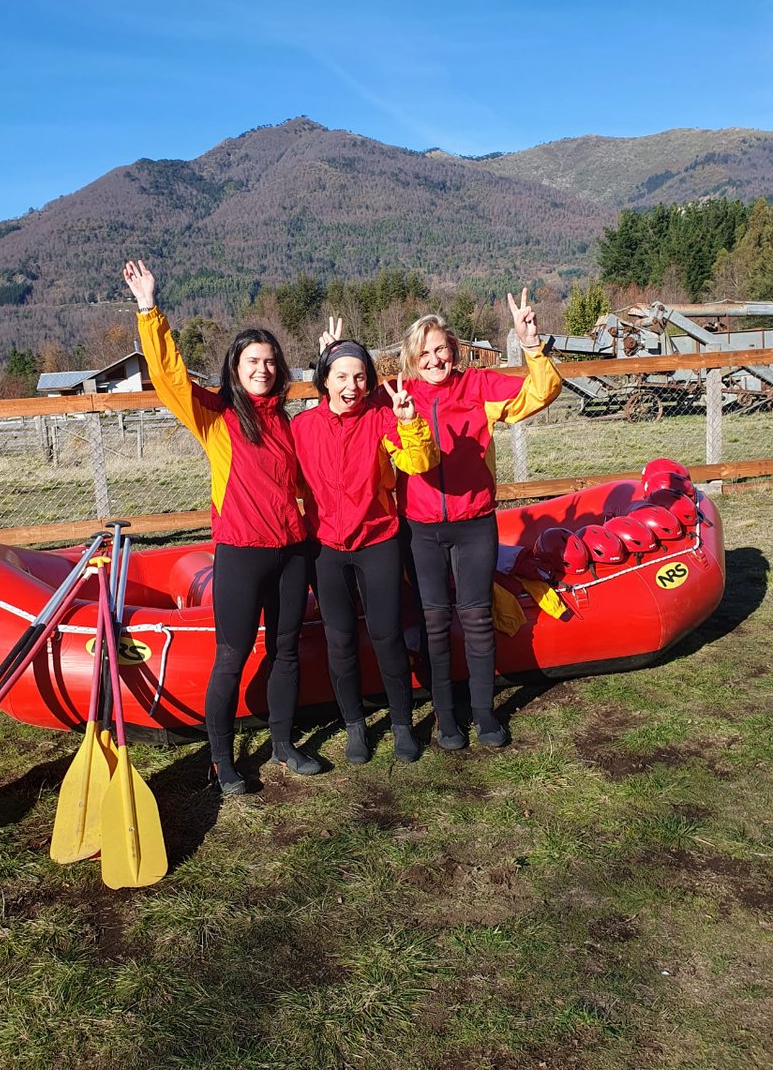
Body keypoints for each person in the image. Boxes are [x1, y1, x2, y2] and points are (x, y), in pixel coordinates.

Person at [123, 259, 321, 795]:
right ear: (234, 367)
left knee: (285, 650)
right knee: (232, 655)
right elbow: (167, 378)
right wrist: (149, 310)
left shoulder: (287, 421)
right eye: (252, 361)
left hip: (291, 552)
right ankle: (221, 761)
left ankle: (282, 746)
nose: (262, 368)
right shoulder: (215, 415)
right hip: (240, 553)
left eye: (270, 361)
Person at [397, 291, 562, 749]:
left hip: (474, 524)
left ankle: (485, 714)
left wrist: (531, 345)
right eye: (424, 352)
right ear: (412, 359)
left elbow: (540, 392)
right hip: (421, 529)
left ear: (453, 349)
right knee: (434, 623)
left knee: (475, 618)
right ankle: (447, 718)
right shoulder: (401, 397)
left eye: (441, 349)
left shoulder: (478, 387)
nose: (434, 359)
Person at [291, 328, 439, 764]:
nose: (350, 386)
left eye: (359, 377)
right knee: (340, 640)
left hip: (377, 541)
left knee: (387, 635)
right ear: (324, 380)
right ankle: (355, 725)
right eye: (340, 376)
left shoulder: (381, 417)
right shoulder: (303, 428)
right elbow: (292, 483)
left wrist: (410, 422)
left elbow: (420, 462)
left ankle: (401, 724)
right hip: (326, 548)